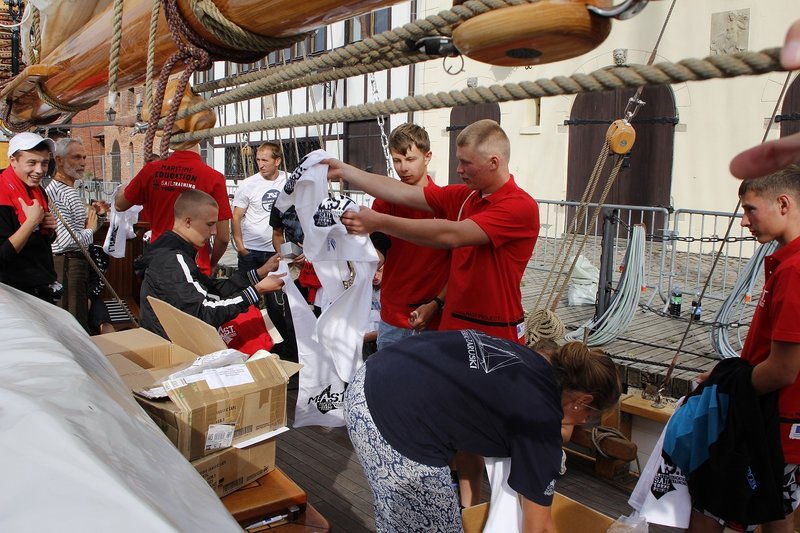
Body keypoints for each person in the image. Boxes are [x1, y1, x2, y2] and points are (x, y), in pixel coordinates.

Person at [328, 118, 539, 505]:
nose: (459, 170)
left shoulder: (518, 207)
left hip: (496, 336)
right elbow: (405, 194)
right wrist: (347, 172)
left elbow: (451, 235)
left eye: (466, 163)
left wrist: (377, 221)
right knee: (462, 427)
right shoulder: (466, 197)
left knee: (506, 434)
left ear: (494, 162)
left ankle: (516, 512)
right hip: (455, 330)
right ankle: (468, 505)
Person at [345, 332, 621, 533]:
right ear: (582, 401)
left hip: (375, 375)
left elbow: (471, 429)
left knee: (404, 522)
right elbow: (537, 528)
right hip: (390, 413)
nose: (583, 424)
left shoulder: (534, 363)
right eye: (589, 419)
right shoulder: (540, 422)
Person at [687, 165, 800, 533]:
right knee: (774, 510)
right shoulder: (784, 262)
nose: (744, 222)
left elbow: (783, 370)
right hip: (776, 417)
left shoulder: (794, 270)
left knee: (712, 504)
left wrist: (725, 384)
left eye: (750, 209)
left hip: (772, 419)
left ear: (783, 204)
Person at [134, 189, 285, 339]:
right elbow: (204, 312)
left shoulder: (176, 252)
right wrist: (257, 291)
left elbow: (214, 288)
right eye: (210, 224)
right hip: (171, 347)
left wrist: (261, 272)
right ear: (188, 222)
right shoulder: (172, 259)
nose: (214, 232)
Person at [370, 123, 450, 349]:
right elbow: (379, 242)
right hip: (394, 313)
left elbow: (457, 263)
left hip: (434, 313)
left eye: (410, 159)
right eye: (397, 160)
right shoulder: (385, 201)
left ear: (427, 157)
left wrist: (437, 302)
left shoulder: (445, 203)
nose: (403, 168)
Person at [114, 142, 231, 275]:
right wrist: (212, 263)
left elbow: (120, 205)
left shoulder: (151, 170)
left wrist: (123, 188)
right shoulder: (214, 178)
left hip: (158, 261)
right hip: (195, 265)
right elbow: (223, 237)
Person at [45, 137, 109, 331]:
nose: (82, 163)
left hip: (75, 264)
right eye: (76, 157)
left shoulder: (68, 190)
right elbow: (64, 241)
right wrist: (90, 229)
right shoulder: (56, 193)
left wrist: (97, 219)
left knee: (79, 318)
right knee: (73, 324)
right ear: (59, 160)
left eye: (84, 157)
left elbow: (76, 232)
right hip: (66, 265)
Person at [0, 132, 60, 303]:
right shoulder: (2, 195)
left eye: (45, 163)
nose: (39, 171)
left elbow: (37, 241)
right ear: (13, 161)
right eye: (32, 163)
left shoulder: (37, 191)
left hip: (40, 286)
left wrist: (49, 230)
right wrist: (32, 222)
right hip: (13, 294)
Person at [231, 142, 287, 271]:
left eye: (265, 160)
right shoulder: (248, 184)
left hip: (277, 250)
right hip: (251, 250)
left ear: (277, 161)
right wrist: (241, 248)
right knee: (247, 289)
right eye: (258, 160)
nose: (260, 165)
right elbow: (236, 217)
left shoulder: (288, 181)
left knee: (275, 290)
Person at [362, 263, 383, 359]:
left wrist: (366, 337)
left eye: (379, 270)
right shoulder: (370, 290)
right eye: (372, 271)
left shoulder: (390, 294)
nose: (375, 275)